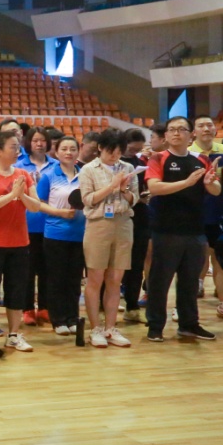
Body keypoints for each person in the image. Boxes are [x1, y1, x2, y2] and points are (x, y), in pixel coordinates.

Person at [144, 116, 222, 343]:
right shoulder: (159, 158)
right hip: (166, 230)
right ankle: (155, 326)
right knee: (160, 281)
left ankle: (189, 324)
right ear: (166, 135)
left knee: (190, 281)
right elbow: (154, 187)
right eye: (172, 129)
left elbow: (216, 190)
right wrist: (186, 183)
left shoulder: (201, 159)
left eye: (181, 129)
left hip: (195, 230)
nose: (176, 133)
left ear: (190, 135)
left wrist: (210, 182)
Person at [0, 130, 41, 353]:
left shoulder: (23, 174)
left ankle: (13, 334)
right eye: (12, 146)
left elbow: (35, 206)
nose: (17, 150)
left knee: (17, 290)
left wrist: (21, 195)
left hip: (19, 243)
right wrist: (11, 196)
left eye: (18, 146)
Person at [79, 128, 139, 348]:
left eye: (119, 151)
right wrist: (111, 187)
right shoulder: (88, 169)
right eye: (111, 151)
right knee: (95, 278)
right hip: (98, 224)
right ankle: (95, 328)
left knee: (115, 279)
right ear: (100, 148)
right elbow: (87, 199)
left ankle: (111, 328)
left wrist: (123, 190)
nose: (115, 156)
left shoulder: (128, 168)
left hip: (123, 224)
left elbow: (135, 199)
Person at [188, 115, 223, 321]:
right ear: (194, 132)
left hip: (218, 210)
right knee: (192, 260)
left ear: (215, 129)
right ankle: (183, 307)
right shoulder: (188, 152)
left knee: (220, 258)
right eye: (201, 125)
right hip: (193, 212)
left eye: (209, 125)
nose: (206, 128)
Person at [38, 136, 86, 336]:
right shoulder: (48, 175)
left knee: (74, 279)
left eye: (72, 149)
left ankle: (72, 317)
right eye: (64, 149)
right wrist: (59, 212)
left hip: (80, 234)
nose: (68, 152)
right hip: (55, 234)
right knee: (56, 279)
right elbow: (39, 204)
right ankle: (58, 320)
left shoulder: (85, 174)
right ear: (56, 152)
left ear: (78, 152)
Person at [16, 127, 51, 327]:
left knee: (47, 269)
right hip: (26, 225)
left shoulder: (55, 165)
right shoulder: (19, 165)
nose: (39, 144)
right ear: (28, 143)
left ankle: (45, 307)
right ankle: (27, 308)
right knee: (26, 271)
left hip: (50, 225)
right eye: (35, 140)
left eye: (43, 140)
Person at [120, 128, 152, 323]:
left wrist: (145, 195)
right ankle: (105, 302)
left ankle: (132, 305)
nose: (135, 153)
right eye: (132, 149)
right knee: (113, 263)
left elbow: (145, 188)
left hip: (139, 216)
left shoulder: (141, 164)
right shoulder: (114, 164)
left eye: (138, 150)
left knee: (136, 263)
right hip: (117, 215)